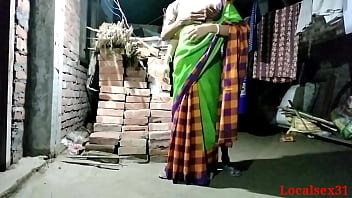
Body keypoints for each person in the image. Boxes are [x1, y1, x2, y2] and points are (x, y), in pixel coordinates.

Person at [159, 0, 249, 186]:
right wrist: (166, 61)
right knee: (179, 115)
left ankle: (203, 167)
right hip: (182, 64)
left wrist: (210, 29)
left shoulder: (220, 2)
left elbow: (241, 30)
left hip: (208, 65)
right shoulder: (176, 5)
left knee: (205, 115)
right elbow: (167, 35)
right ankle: (176, 165)